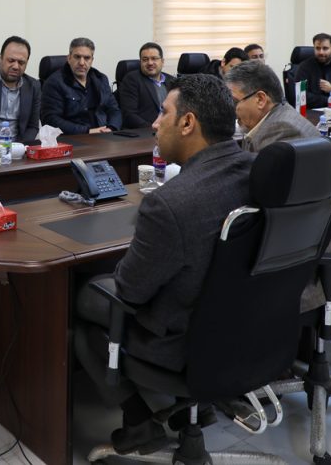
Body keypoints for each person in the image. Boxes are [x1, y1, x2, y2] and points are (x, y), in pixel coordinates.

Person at [74, 74, 254, 454]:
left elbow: (130, 291)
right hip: (247, 328)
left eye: (163, 112)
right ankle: (197, 409)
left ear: (187, 123)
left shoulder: (169, 204)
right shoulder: (259, 172)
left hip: (184, 342)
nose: (155, 123)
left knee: (84, 299)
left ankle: (138, 423)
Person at [224, 61, 331, 309]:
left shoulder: (281, 131)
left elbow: (260, 201)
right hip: (306, 246)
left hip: (319, 268)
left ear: (260, 99)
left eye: (234, 101)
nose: (231, 110)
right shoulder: (276, 119)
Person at [41, 37, 122, 134]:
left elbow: (114, 110)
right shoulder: (55, 82)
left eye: (87, 58)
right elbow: (51, 119)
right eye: (77, 57)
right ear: (69, 58)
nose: (82, 63)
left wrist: (111, 128)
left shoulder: (101, 79)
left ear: (92, 60)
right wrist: (88, 131)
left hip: (104, 134)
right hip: (73, 138)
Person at [117, 41, 172, 129]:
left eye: (154, 58)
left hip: (171, 130)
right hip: (145, 131)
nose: (150, 63)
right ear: (140, 62)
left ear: (162, 61)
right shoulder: (131, 80)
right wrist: (151, 128)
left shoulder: (172, 80)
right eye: (145, 59)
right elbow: (129, 115)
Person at [293, 32, 331, 108]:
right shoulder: (304, 67)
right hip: (312, 112)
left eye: (325, 48)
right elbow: (300, 96)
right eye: (318, 48)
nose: (321, 52)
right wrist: (328, 100)